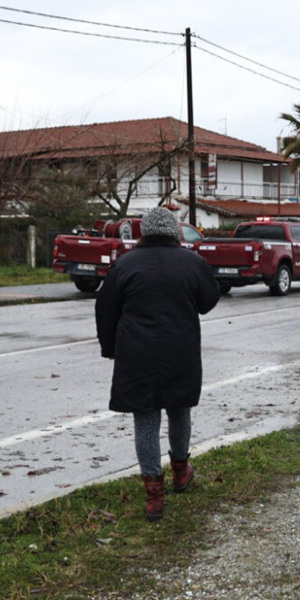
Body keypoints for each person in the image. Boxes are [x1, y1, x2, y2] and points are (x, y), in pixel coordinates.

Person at [95, 207, 220, 521]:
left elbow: (105, 309)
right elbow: (208, 301)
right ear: (175, 232)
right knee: (180, 411)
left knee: (146, 421)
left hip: (136, 353)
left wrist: (109, 348)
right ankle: (181, 472)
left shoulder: (125, 264)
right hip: (181, 351)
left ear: (144, 232)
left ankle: (154, 496)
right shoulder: (193, 263)